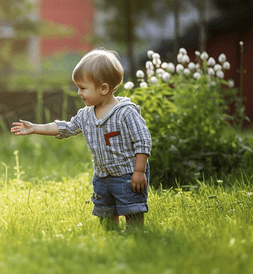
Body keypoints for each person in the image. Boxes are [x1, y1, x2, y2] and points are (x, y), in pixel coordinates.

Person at [10, 48, 152, 229]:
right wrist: (35, 128)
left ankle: (136, 236)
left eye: (83, 88)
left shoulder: (125, 113)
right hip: (102, 177)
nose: (78, 93)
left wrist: (139, 171)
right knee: (106, 214)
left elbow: (143, 141)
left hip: (127, 175)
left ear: (103, 88)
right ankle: (112, 238)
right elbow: (66, 128)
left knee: (132, 211)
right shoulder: (85, 115)